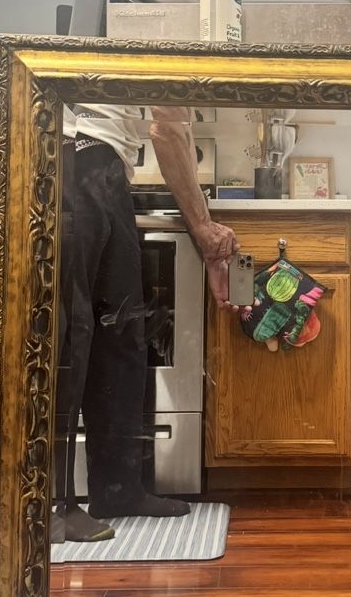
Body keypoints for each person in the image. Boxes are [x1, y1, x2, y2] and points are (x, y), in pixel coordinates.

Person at [53, 103, 238, 541]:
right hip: (70, 160)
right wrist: (204, 229)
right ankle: (54, 506)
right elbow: (167, 129)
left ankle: (117, 490)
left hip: (107, 170)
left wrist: (204, 230)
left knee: (121, 336)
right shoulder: (166, 59)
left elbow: (177, 129)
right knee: (71, 338)